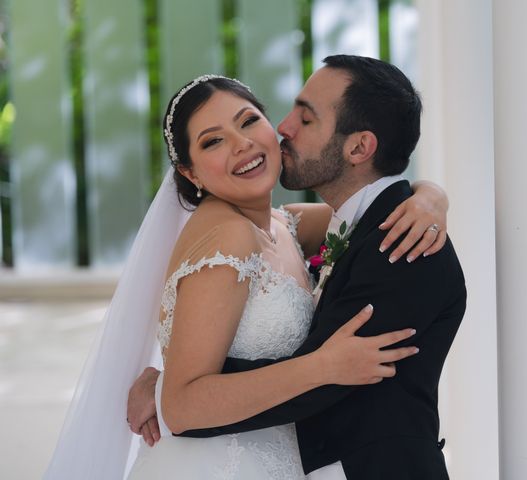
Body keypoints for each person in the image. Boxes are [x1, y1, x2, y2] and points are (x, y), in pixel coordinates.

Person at [44, 71, 449, 479]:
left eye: (248, 121)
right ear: (191, 173)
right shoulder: (228, 237)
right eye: (213, 141)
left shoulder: (282, 224)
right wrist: (323, 366)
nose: (243, 145)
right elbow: (182, 406)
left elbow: (365, 213)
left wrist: (430, 196)